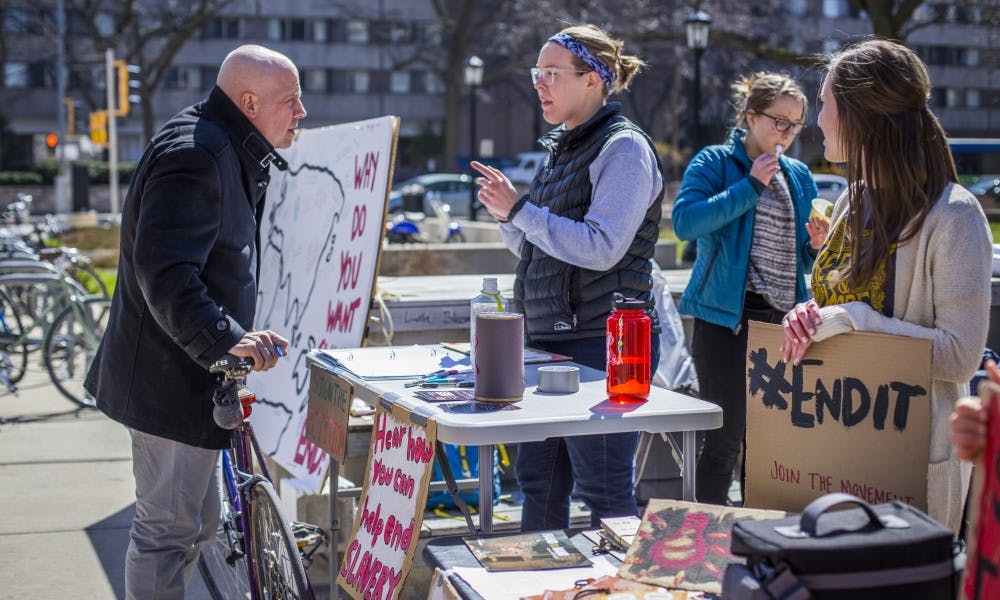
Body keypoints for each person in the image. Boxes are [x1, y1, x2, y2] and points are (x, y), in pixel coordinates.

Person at [84, 45, 306, 598]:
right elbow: (165, 272)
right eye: (291, 100)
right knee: (168, 532)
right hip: (168, 379)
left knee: (195, 526)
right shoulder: (198, 152)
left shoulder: (222, 143)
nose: (302, 112)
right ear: (249, 102)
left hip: (180, 369)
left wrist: (231, 340)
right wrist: (228, 339)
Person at [781, 39, 992, 533]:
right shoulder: (855, 199)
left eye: (826, 105)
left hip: (911, 468)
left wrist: (855, 320)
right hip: (836, 444)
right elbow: (837, 305)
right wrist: (807, 314)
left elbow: (962, 355)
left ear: (862, 118)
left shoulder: (955, 216)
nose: (818, 121)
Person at [471, 24, 663, 530]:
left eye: (552, 73)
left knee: (603, 490)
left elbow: (602, 247)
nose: (540, 84)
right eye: (538, 73)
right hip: (548, 340)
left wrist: (522, 211)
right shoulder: (561, 148)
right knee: (539, 485)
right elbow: (537, 245)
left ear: (593, 80)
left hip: (606, 342)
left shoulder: (625, 149)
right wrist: (508, 215)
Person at [672, 72, 823, 505]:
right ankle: (705, 545)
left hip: (783, 327)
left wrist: (815, 246)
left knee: (769, 447)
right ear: (750, 116)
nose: (788, 134)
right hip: (725, 322)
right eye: (780, 122)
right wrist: (750, 185)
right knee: (724, 441)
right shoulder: (715, 162)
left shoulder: (798, 176)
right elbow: (686, 223)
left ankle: (759, 546)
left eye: (796, 125)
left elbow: (802, 260)